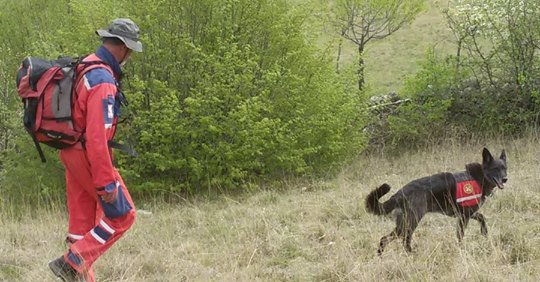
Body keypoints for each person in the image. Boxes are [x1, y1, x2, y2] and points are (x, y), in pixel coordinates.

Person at [48, 18, 143, 282]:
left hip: (70, 151)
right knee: (123, 215)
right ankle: (71, 263)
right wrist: (106, 184)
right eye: (131, 50)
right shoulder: (102, 80)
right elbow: (98, 138)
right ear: (123, 48)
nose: (130, 56)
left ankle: (79, 275)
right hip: (88, 156)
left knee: (81, 227)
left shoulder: (86, 65)